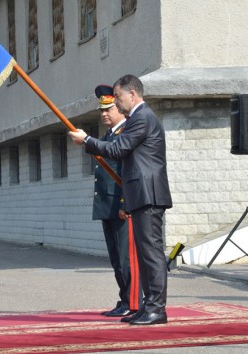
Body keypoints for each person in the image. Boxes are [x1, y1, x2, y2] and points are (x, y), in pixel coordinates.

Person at [69, 74, 172, 326]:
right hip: (140, 194)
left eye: (118, 96)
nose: (116, 101)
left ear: (133, 94)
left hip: (148, 194)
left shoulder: (142, 118)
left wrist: (87, 140)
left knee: (151, 254)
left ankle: (157, 309)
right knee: (146, 254)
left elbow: (117, 149)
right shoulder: (138, 118)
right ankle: (148, 306)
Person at [91, 85, 142, 318]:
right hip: (106, 205)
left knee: (126, 259)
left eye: (108, 109)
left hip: (121, 205)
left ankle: (135, 303)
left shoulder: (126, 135)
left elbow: (128, 171)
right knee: (116, 258)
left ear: (121, 108)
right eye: (101, 110)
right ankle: (125, 300)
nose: (104, 114)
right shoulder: (109, 136)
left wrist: (124, 203)